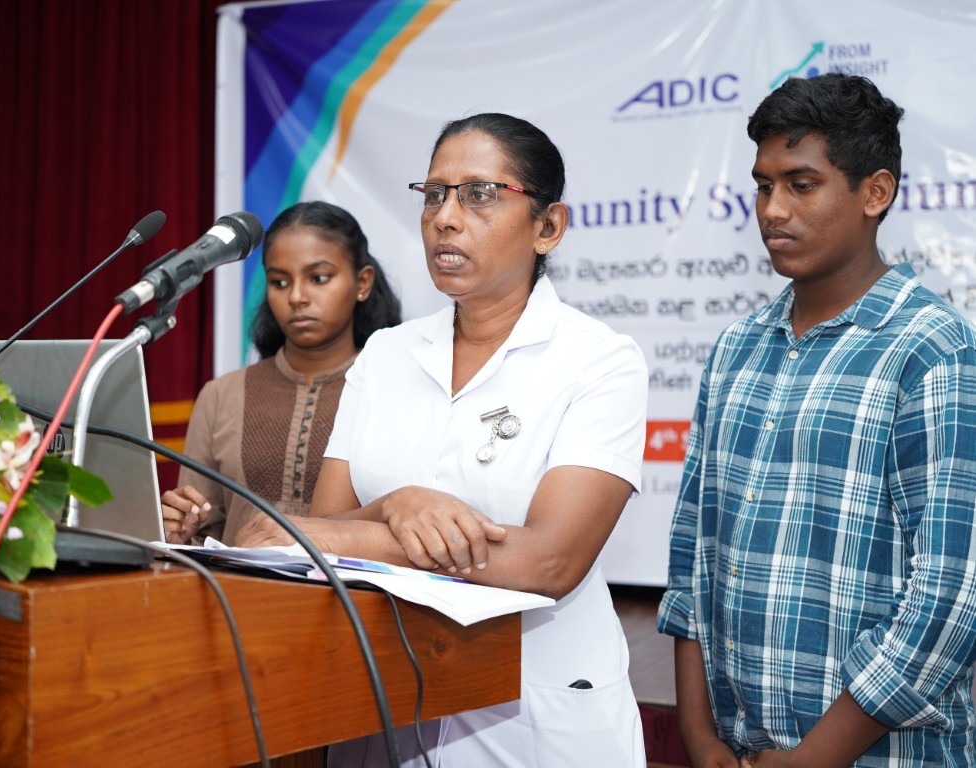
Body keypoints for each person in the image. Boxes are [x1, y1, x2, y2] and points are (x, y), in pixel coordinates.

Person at [236, 113, 649, 766]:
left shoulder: (598, 360)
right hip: (385, 692)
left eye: (479, 194)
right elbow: (330, 522)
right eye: (433, 195)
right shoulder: (385, 354)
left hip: (534, 709)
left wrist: (350, 534)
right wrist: (397, 505)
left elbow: (549, 563)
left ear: (547, 226)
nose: (445, 219)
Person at [657, 73, 976, 768]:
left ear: (875, 192)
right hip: (736, 750)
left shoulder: (932, 350)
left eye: (801, 185)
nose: (772, 210)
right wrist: (700, 737)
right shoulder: (736, 349)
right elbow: (693, 558)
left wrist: (813, 759)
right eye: (762, 186)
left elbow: (951, 597)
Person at [161, 201, 401, 545]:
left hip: (354, 582)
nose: (297, 297)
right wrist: (181, 532)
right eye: (280, 282)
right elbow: (202, 536)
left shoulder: (397, 389)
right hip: (235, 581)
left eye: (318, 278)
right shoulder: (221, 396)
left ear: (362, 282)